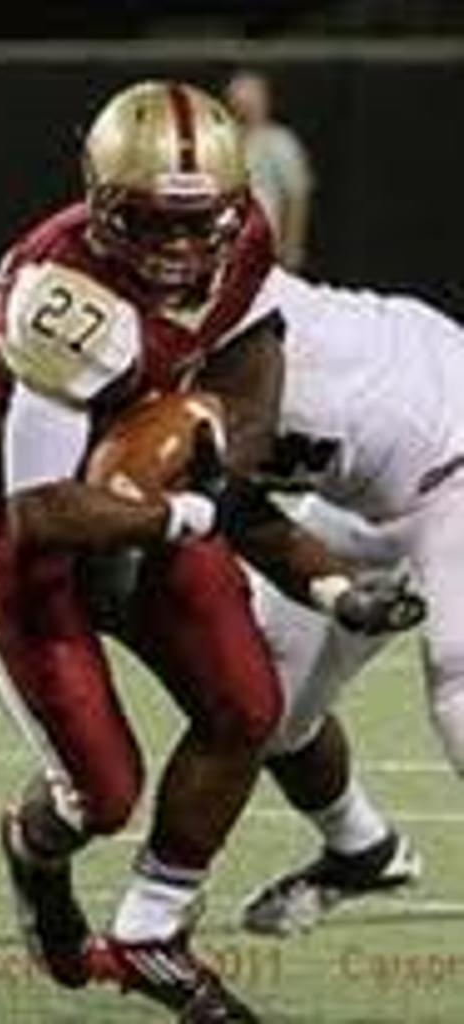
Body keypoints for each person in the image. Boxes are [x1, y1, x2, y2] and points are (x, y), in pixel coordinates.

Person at [0, 80, 420, 1023]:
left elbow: (251, 354)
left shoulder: (244, 239)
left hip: (143, 484)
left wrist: (305, 558)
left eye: (201, 223)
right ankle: (33, 853)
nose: (182, 248)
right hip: (9, 514)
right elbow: (42, 511)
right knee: (100, 794)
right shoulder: (62, 297)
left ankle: (151, 933)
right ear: (102, 203)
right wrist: (191, 512)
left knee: (247, 706)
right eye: (154, 222)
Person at [188, 260, 464, 939]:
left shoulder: (226, 297)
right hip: (360, 496)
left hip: (452, 451)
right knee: (262, 707)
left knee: (458, 680)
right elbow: (232, 502)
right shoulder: (135, 346)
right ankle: (363, 850)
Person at [224, 69, 314, 272]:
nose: (244, 108)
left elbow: (297, 196)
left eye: (250, 101)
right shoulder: (220, 142)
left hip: (266, 246)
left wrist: (292, 246)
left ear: (264, 102)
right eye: (238, 101)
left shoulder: (281, 142)